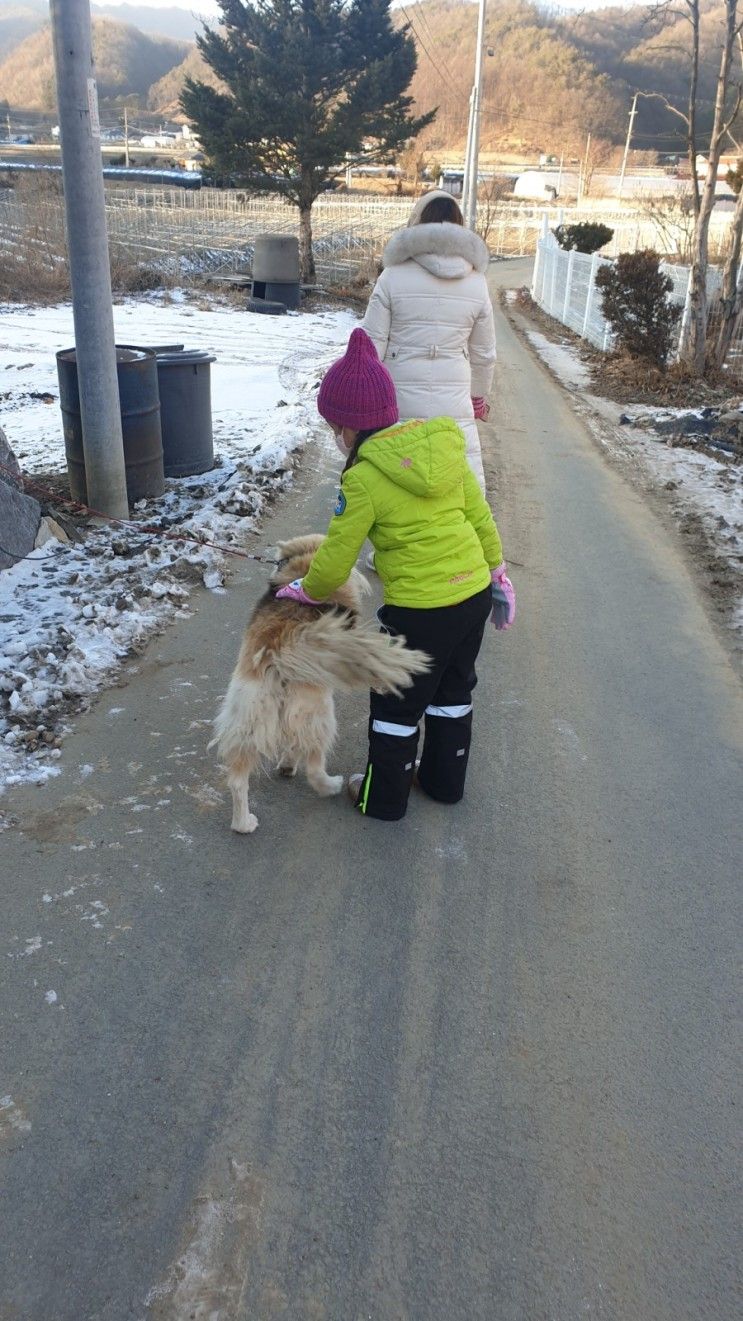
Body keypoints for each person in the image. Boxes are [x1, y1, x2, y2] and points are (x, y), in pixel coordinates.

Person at [276, 328, 514, 823]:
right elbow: (480, 515)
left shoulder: (361, 478)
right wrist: (496, 571)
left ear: (346, 428)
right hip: (470, 596)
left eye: (332, 429)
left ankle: (382, 801)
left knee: (394, 709)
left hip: (420, 611)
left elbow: (338, 556)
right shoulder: (443, 451)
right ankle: (444, 783)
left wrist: (306, 589)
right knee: (452, 692)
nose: (334, 439)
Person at [361, 189, 496, 492]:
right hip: (455, 402)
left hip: (397, 403)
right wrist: (477, 397)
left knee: (395, 488)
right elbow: (484, 354)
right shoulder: (477, 282)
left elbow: (369, 349)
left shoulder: (392, 277)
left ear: (417, 222)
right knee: (459, 490)